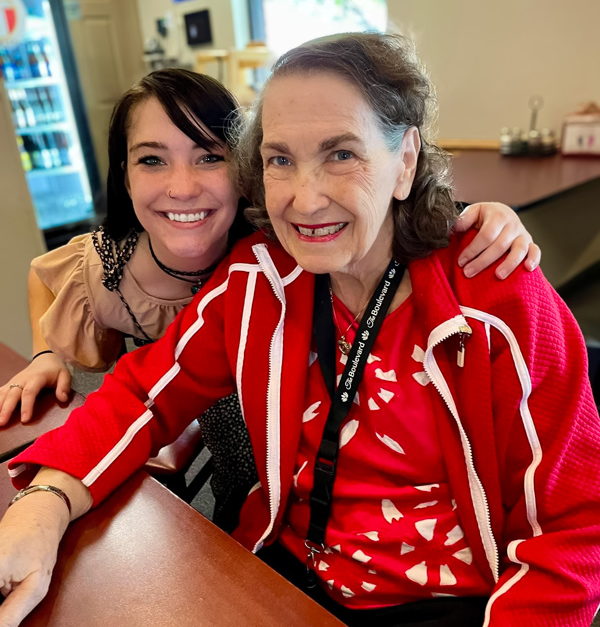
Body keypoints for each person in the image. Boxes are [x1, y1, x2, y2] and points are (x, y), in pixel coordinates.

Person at [2, 34, 592, 627]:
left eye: (341, 154)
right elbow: (142, 391)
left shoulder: (500, 303)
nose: (305, 200)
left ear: (405, 161)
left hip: (448, 615)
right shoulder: (257, 282)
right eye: (281, 160)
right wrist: (42, 505)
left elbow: (576, 526)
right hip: (287, 574)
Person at [0, 68, 537, 529]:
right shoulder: (142, 266)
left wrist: (476, 219)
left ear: (243, 172)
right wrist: (46, 360)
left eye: (209, 157)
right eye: (151, 160)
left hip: (299, 478)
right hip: (265, 494)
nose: (182, 188)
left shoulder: (279, 253)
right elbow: (135, 383)